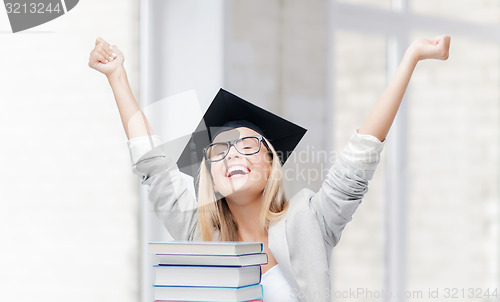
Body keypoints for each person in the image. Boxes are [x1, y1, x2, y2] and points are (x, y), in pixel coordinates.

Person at [88, 35, 451, 302]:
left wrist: (411, 58)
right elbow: (154, 167)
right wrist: (116, 76)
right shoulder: (198, 232)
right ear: (210, 177)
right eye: (219, 150)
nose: (233, 155)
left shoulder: (309, 220)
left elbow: (358, 159)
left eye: (248, 146)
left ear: (270, 163)